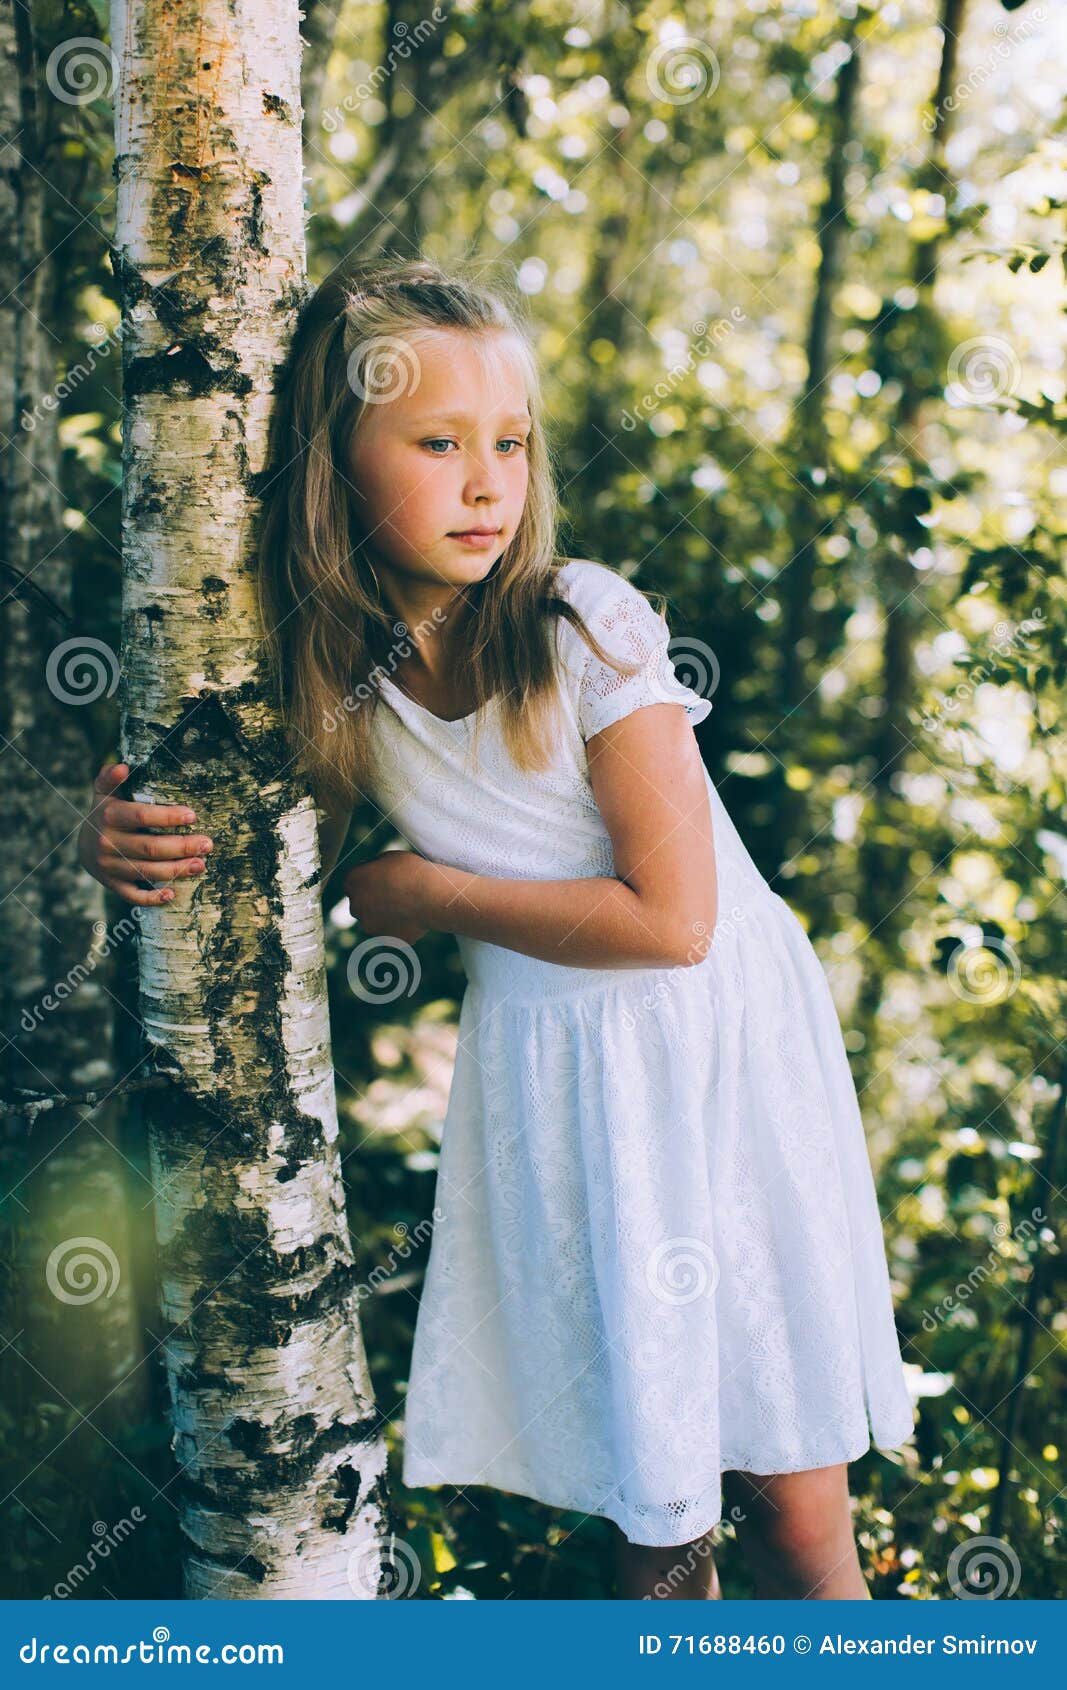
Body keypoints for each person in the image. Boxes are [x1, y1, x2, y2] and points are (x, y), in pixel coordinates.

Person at [78, 256, 914, 1600]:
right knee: (654, 1512)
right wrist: (112, 830)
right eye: (438, 443)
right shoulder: (339, 668)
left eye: (511, 444)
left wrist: (432, 896)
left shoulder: (582, 622)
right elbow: (252, 859)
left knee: (793, 1491)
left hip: (710, 1063)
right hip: (567, 1083)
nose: (487, 483)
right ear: (336, 466)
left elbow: (678, 920)